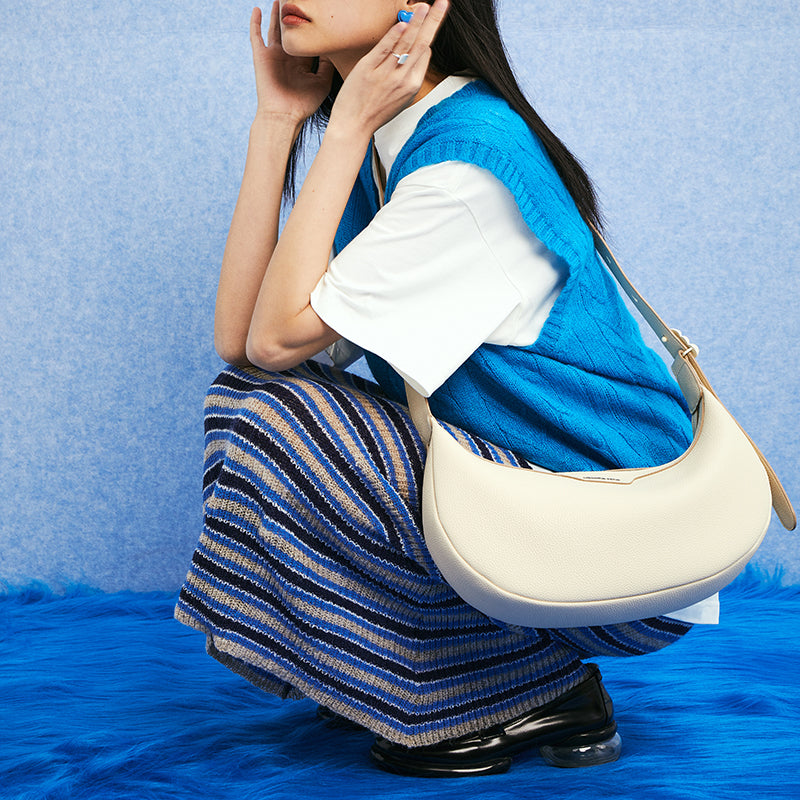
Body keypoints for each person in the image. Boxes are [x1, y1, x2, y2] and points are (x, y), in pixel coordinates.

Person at [175, 0, 718, 778]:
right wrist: (277, 121)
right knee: (249, 398)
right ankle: (435, 671)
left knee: (273, 419)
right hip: (537, 500)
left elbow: (272, 342)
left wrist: (346, 126)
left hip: (627, 535)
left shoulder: (462, 168)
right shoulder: (394, 143)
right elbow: (242, 344)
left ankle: (522, 691)